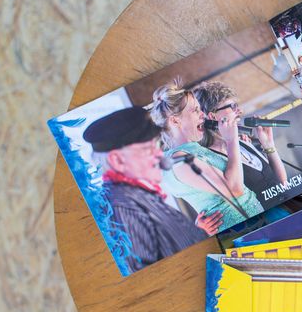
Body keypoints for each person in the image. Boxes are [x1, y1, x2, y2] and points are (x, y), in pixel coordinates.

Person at [82, 106, 225, 273]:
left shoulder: (134, 196)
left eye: (156, 146)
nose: (158, 155)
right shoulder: (124, 208)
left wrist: (196, 233)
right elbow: (152, 277)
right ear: (117, 161)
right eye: (147, 150)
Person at [149, 81, 263, 231]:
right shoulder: (179, 161)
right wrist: (231, 140)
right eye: (195, 110)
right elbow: (234, 189)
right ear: (175, 120)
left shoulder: (194, 150)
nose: (202, 114)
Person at [191, 81, 289, 207]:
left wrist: (269, 145)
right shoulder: (211, 159)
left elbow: (282, 184)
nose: (239, 110)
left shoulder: (242, 143)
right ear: (213, 116)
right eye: (232, 106)